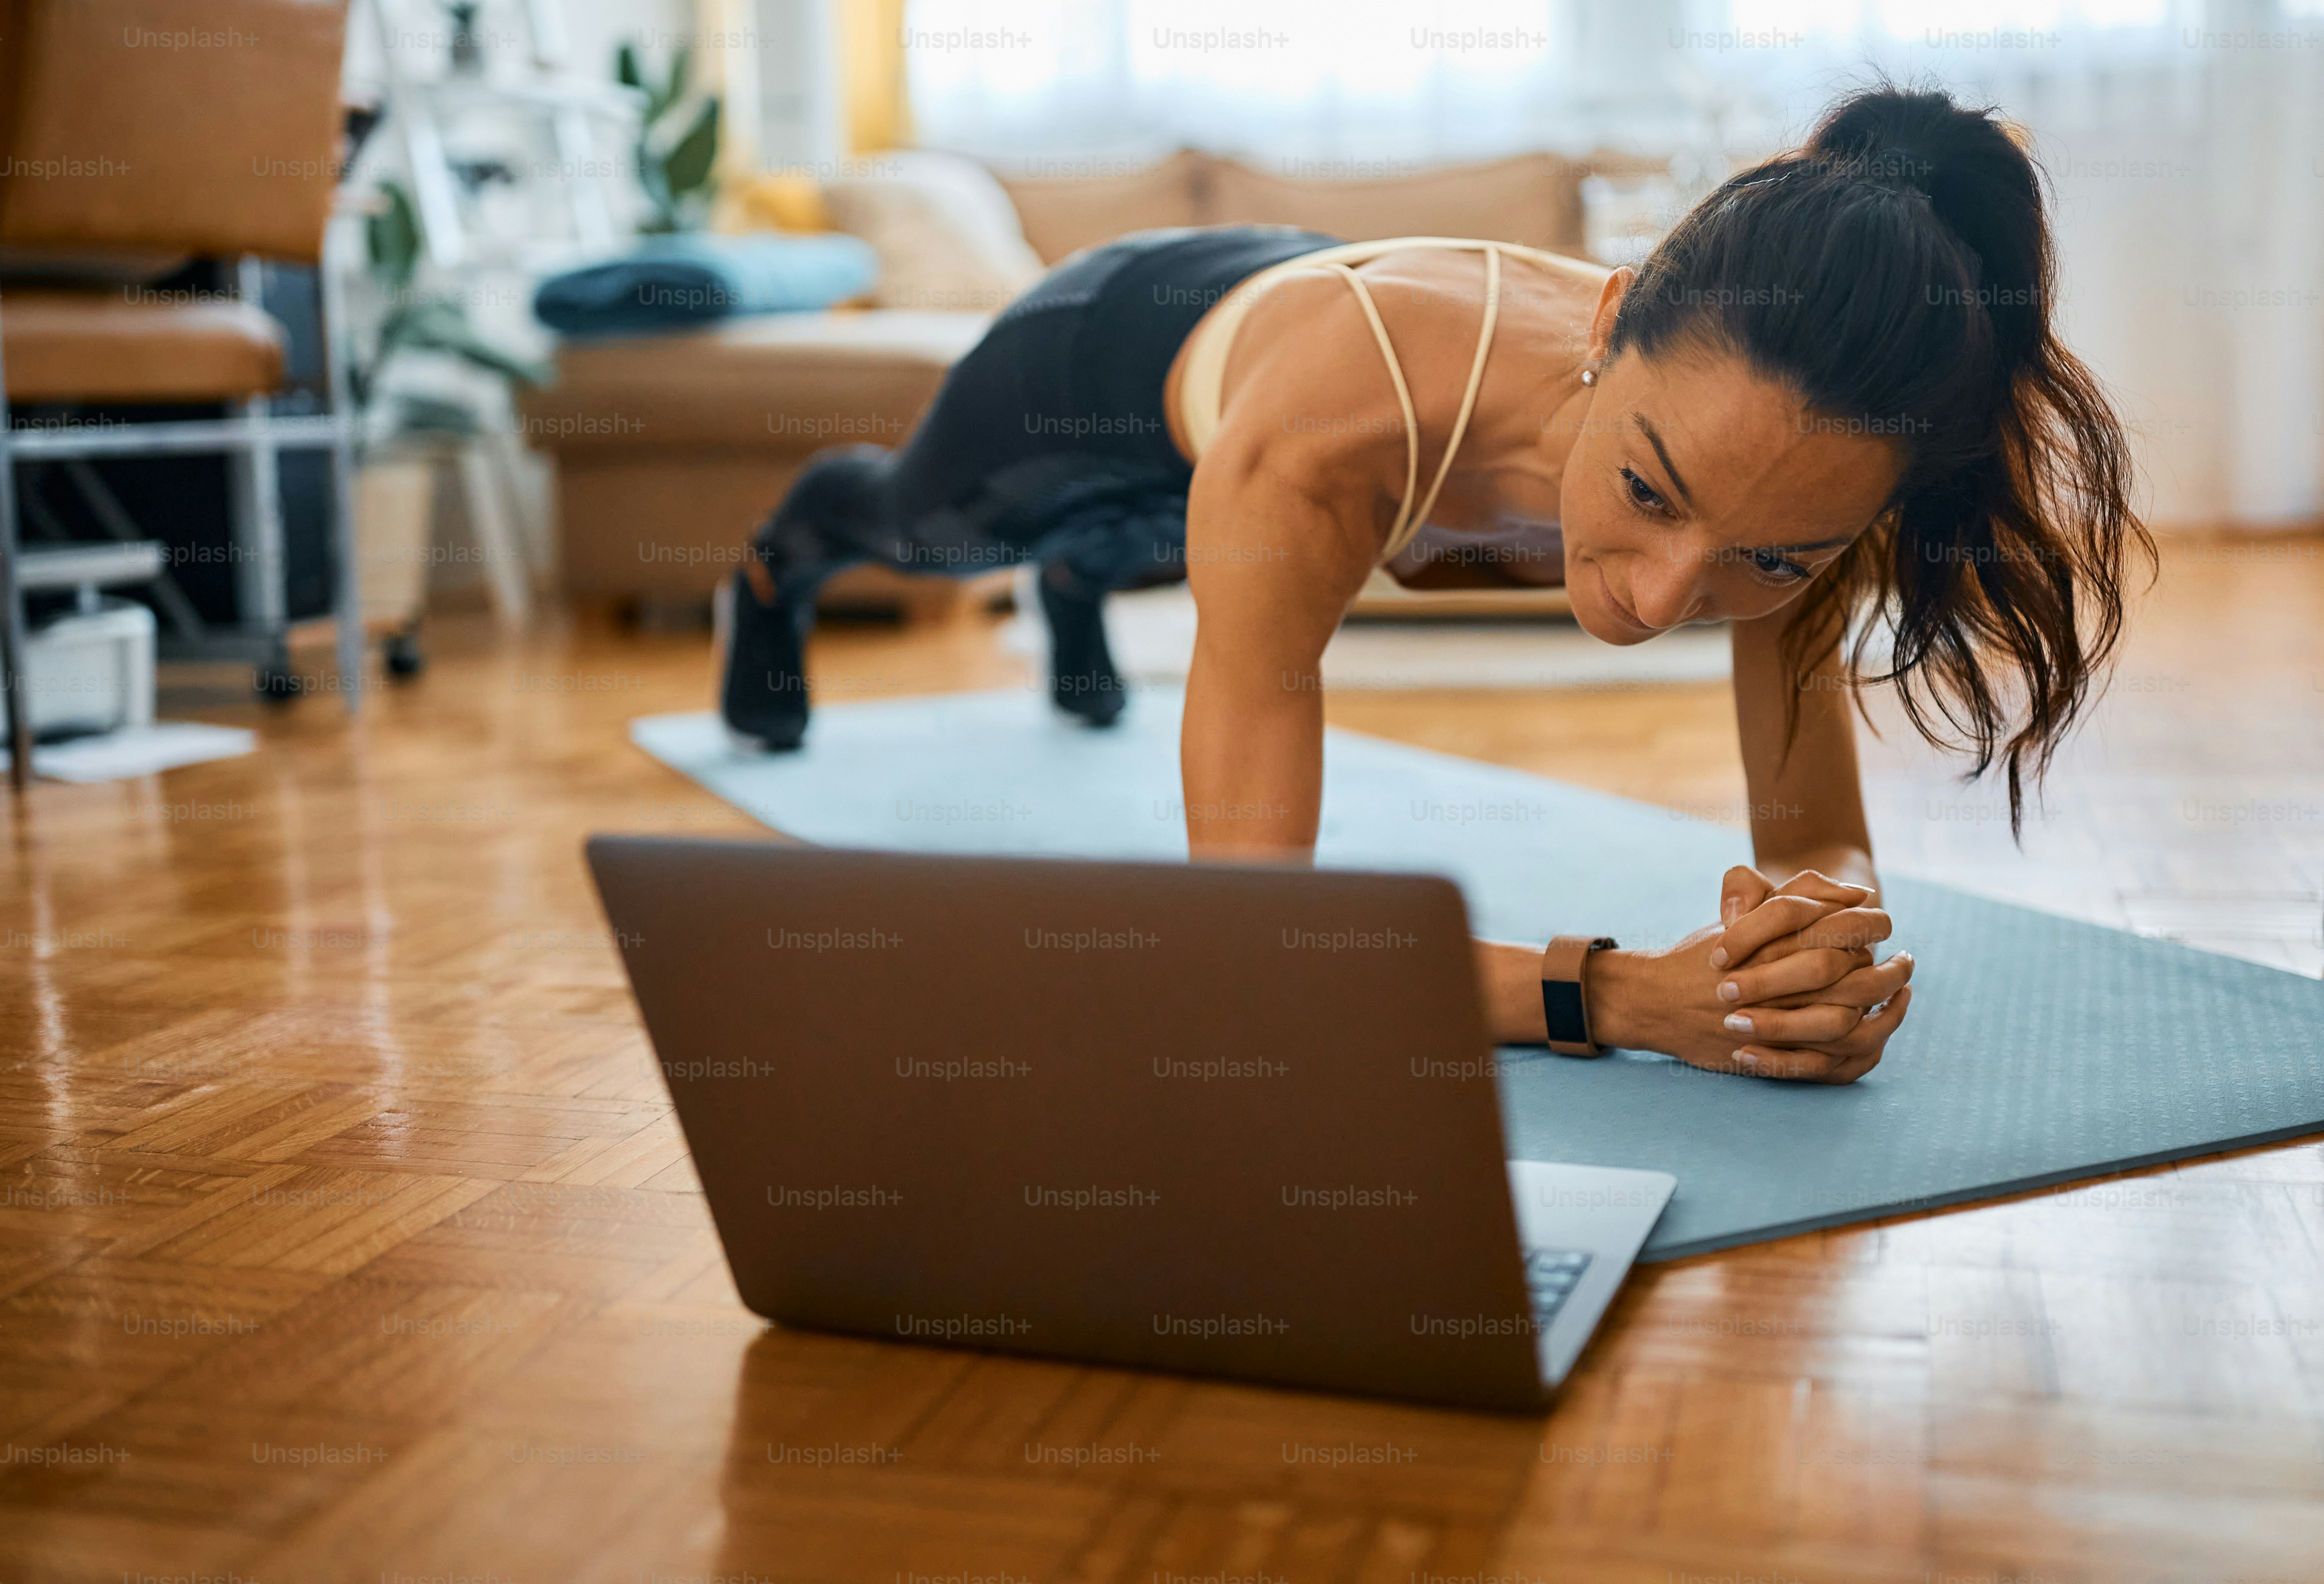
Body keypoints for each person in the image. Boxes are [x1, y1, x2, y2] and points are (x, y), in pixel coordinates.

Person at [720, 85, 2147, 1085]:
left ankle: (1085, 596)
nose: (1656, 600)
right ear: (1607, 332)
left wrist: (1809, 944)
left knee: (1171, 567)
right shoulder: (1323, 451)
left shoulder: (1794, 458)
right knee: (932, 534)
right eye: (1647, 496)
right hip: (1100, 360)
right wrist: (1630, 998)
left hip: (1271, 403)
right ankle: (780, 563)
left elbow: (1816, 840)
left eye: (1768, 562)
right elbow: (1256, 951)